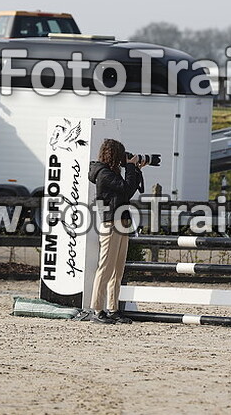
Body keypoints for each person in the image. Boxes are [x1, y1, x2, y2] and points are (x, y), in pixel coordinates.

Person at [87, 138, 146, 324]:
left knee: (117, 269)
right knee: (105, 267)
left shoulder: (111, 172)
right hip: (111, 223)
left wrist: (136, 170)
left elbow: (128, 191)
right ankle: (97, 309)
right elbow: (126, 189)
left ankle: (113, 309)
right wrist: (130, 167)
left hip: (122, 221)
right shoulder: (104, 173)